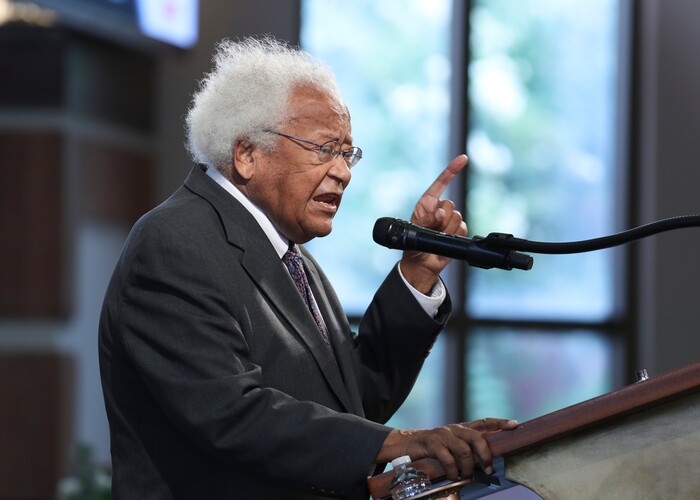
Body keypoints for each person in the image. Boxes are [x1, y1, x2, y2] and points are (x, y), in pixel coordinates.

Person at [98, 37, 517, 500]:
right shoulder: (174, 241)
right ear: (247, 154)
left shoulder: (294, 258)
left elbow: (352, 401)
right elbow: (230, 414)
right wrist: (399, 442)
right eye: (325, 149)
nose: (344, 172)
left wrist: (417, 273)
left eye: (348, 153)